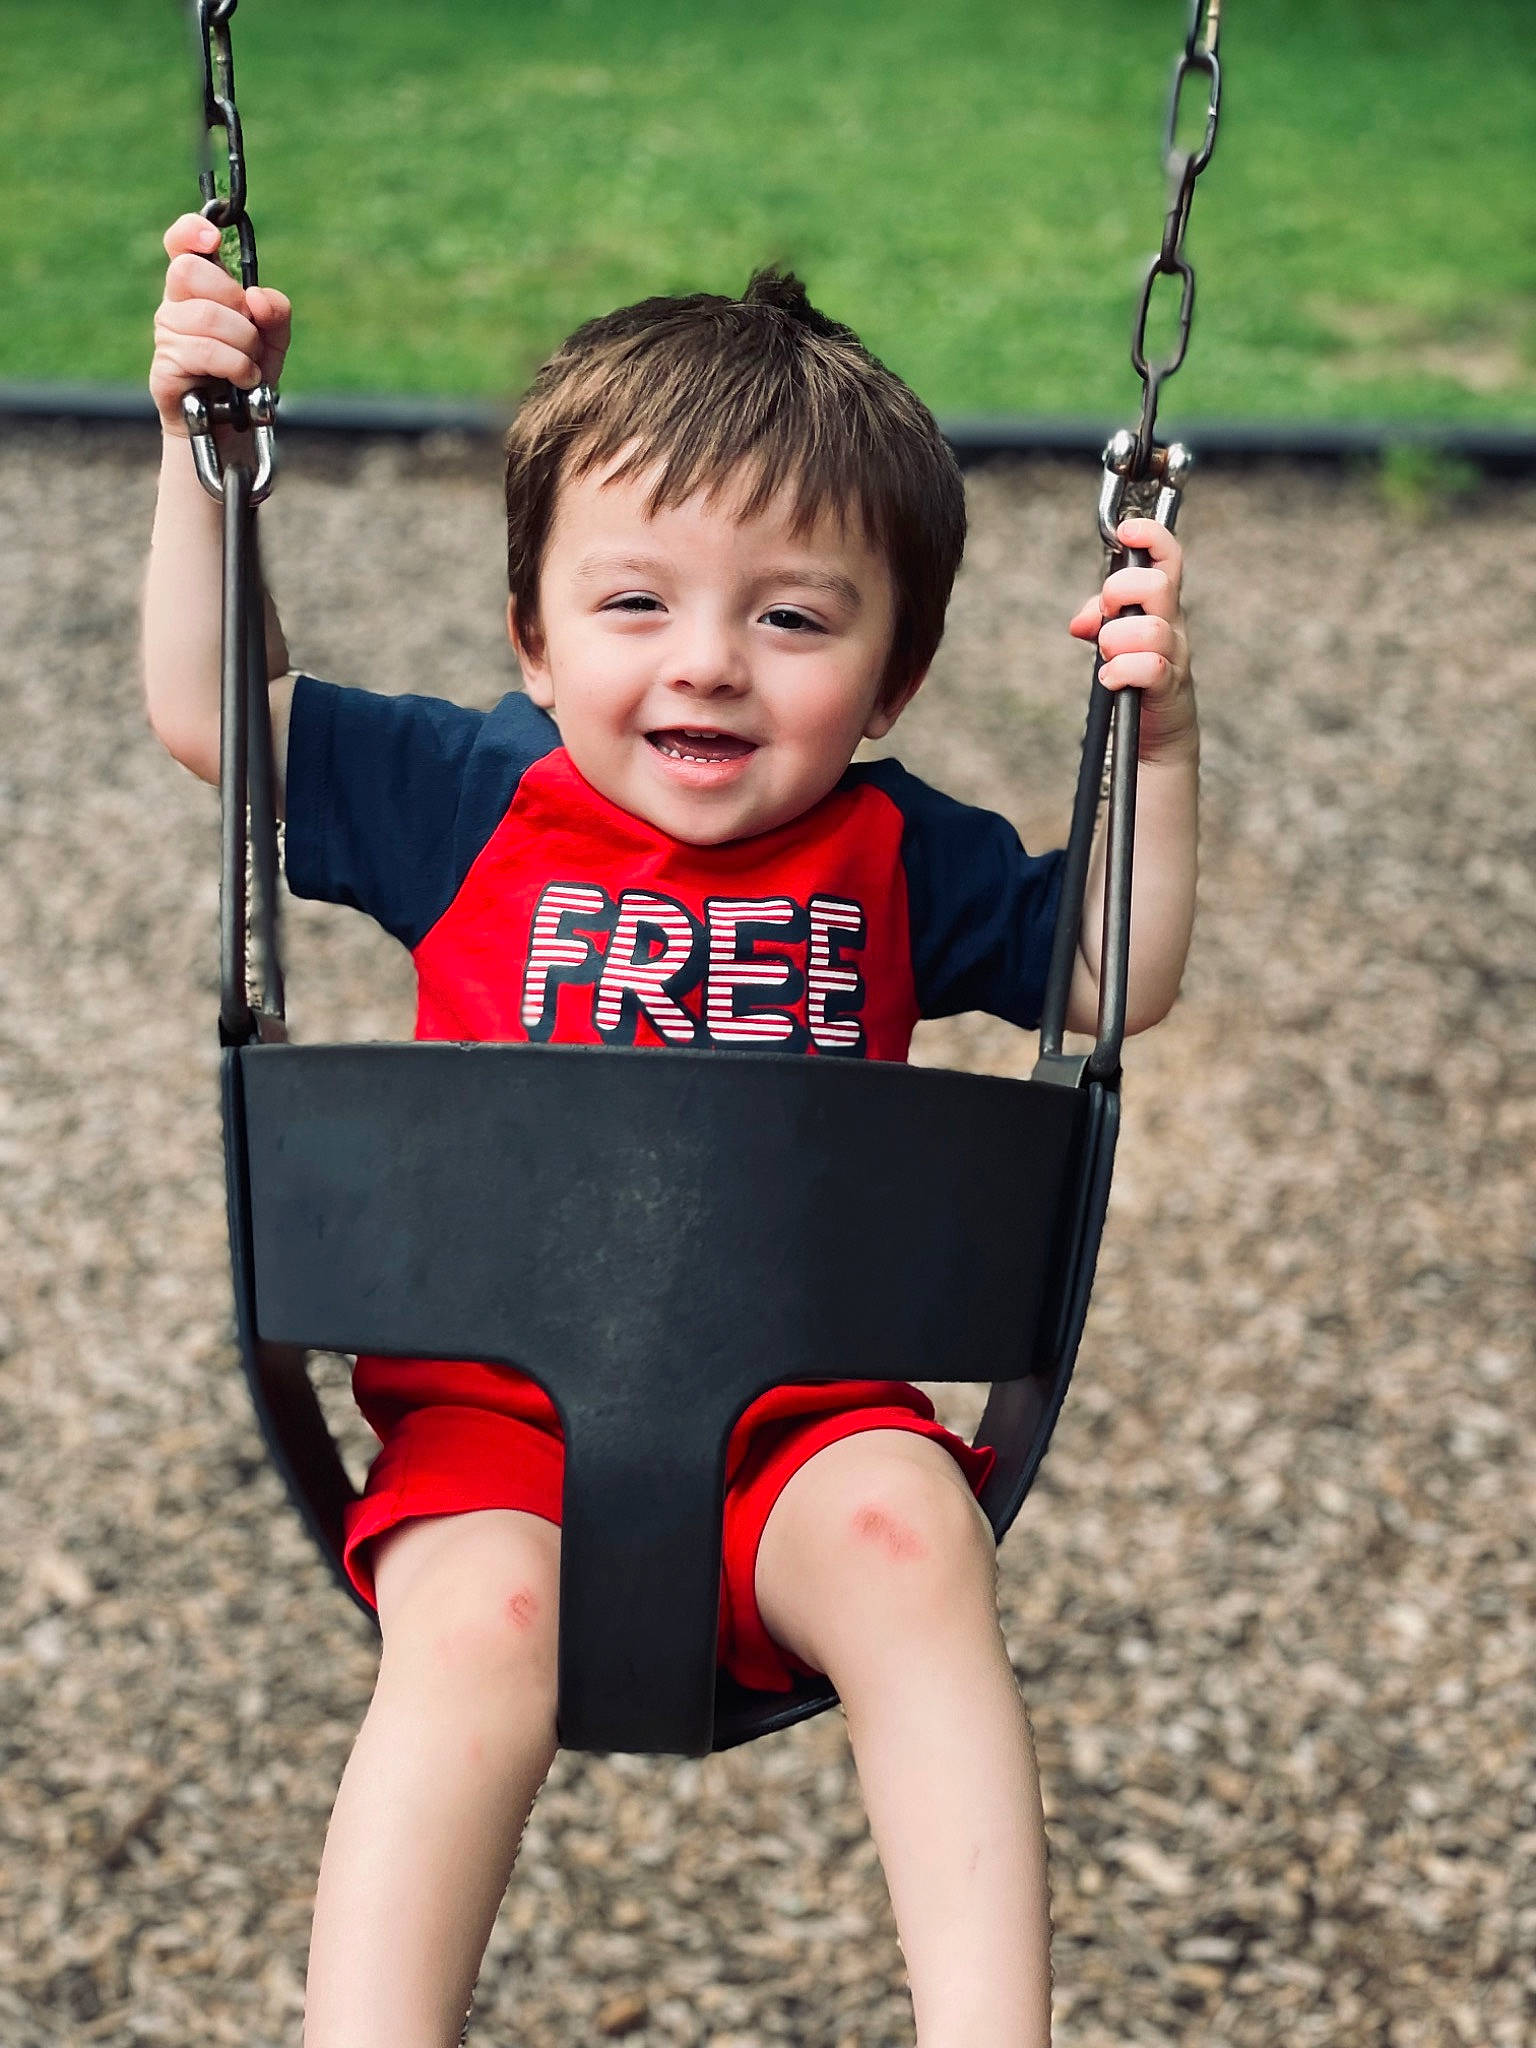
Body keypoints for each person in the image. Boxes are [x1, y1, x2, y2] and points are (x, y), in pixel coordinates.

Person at [143, 210, 1199, 2048]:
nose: (708, 662)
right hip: (500, 1436)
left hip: (806, 1428)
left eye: (793, 618)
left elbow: (1108, 983)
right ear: (533, 640)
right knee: (471, 1636)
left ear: (892, 682)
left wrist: (1157, 751)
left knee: (912, 1540)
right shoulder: (468, 795)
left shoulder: (899, 852)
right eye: (637, 604)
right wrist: (197, 457)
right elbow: (209, 711)